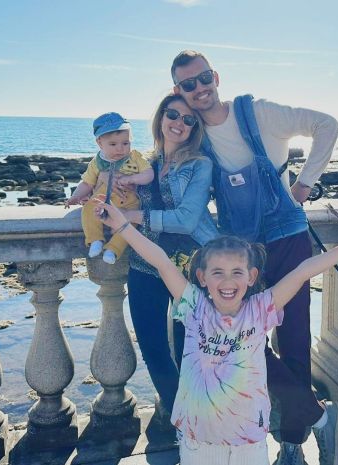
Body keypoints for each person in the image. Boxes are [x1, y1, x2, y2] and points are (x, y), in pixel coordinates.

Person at [94, 196, 338, 465]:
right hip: (198, 440)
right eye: (218, 272)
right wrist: (122, 226)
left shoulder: (260, 310)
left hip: (249, 441)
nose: (227, 281)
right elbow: (162, 261)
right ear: (202, 277)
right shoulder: (194, 307)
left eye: (237, 272)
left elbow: (302, 272)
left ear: (252, 277)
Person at [171, 50, 338, 465]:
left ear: (216, 77)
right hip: (242, 255)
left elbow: (327, 125)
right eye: (189, 85)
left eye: (204, 78)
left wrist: (304, 185)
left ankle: (292, 444)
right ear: (180, 90)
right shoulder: (196, 137)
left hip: (288, 238)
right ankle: (315, 413)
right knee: (240, 339)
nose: (199, 89)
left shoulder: (258, 112)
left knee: (295, 338)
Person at [119, 94, 219, 415]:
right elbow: (109, 185)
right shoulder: (141, 164)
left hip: (187, 267)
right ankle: (181, 419)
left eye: (189, 120)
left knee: (189, 351)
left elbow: (187, 220)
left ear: (194, 128)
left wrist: (134, 218)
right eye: (173, 114)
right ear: (161, 117)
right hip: (144, 263)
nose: (179, 123)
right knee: (152, 348)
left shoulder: (199, 165)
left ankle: (199, 421)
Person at [65, 112, 154, 264]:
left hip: (130, 204)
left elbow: (149, 175)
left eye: (125, 143)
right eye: (113, 144)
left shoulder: (135, 157)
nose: (120, 149)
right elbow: (87, 183)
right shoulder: (97, 163)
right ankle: (95, 240)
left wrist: (132, 178)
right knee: (88, 210)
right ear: (100, 143)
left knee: (130, 225)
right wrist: (75, 197)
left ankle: (113, 250)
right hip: (103, 201)